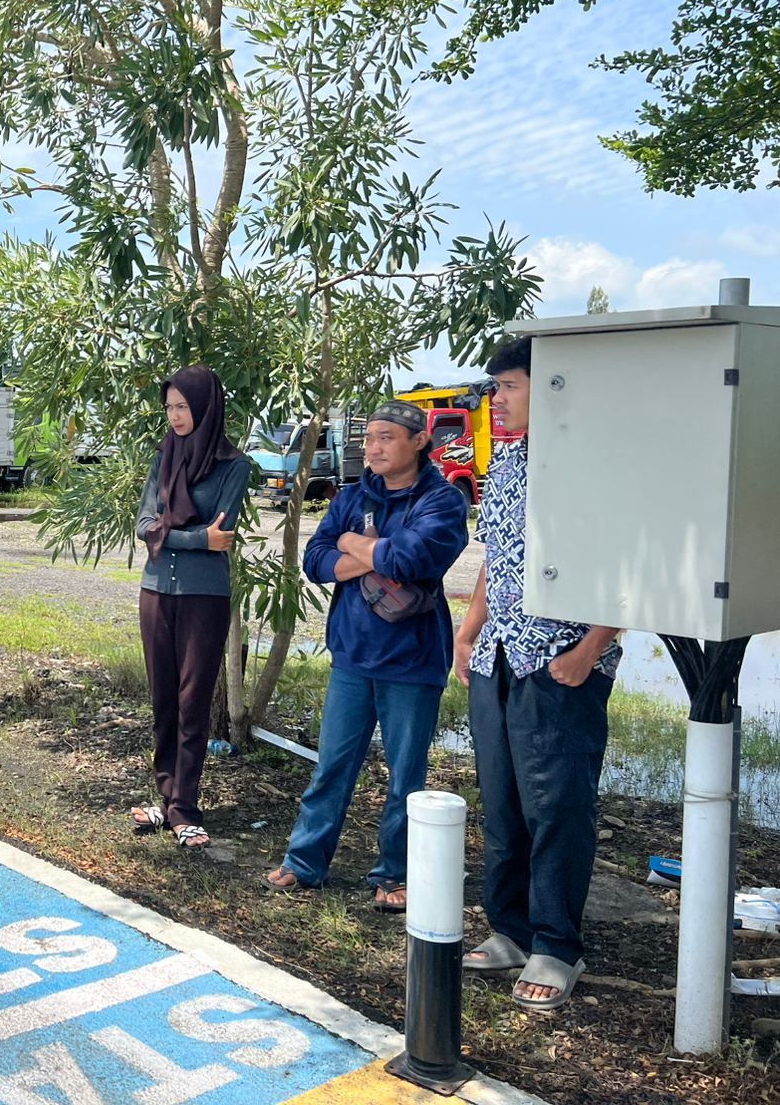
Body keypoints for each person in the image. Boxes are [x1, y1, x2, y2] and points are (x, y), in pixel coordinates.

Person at [455, 336, 621, 1011]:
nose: (498, 400)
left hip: (560, 663)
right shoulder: (509, 460)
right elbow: (496, 558)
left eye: (511, 386)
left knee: (558, 807)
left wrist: (590, 649)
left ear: (552, 389)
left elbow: (626, 564)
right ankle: (513, 930)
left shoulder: (592, 466)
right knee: (503, 803)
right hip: (498, 654)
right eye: (496, 388)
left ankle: (557, 946)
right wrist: (468, 633)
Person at [265, 401, 469, 911]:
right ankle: (304, 862)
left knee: (406, 777)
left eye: (385, 438)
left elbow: (412, 559)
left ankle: (394, 875)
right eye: (369, 439)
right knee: (332, 765)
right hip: (353, 654)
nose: (373, 448)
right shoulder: (354, 496)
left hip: (413, 660)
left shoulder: (441, 501)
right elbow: (315, 561)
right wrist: (367, 550)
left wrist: (352, 546)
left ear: (418, 440)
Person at [129, 365, 253, 850]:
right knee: (162, 698)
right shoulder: (163, 457)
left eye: (182, 406)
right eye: (169, 408)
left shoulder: (233, 466)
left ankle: (185, 807)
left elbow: (222, 537)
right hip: (156, 592)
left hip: (205, 597)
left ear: (204, 406)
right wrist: (195, 536)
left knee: (192, 701)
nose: (175, 416)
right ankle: (167, 798)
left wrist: (174, 536)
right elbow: (145, 525)